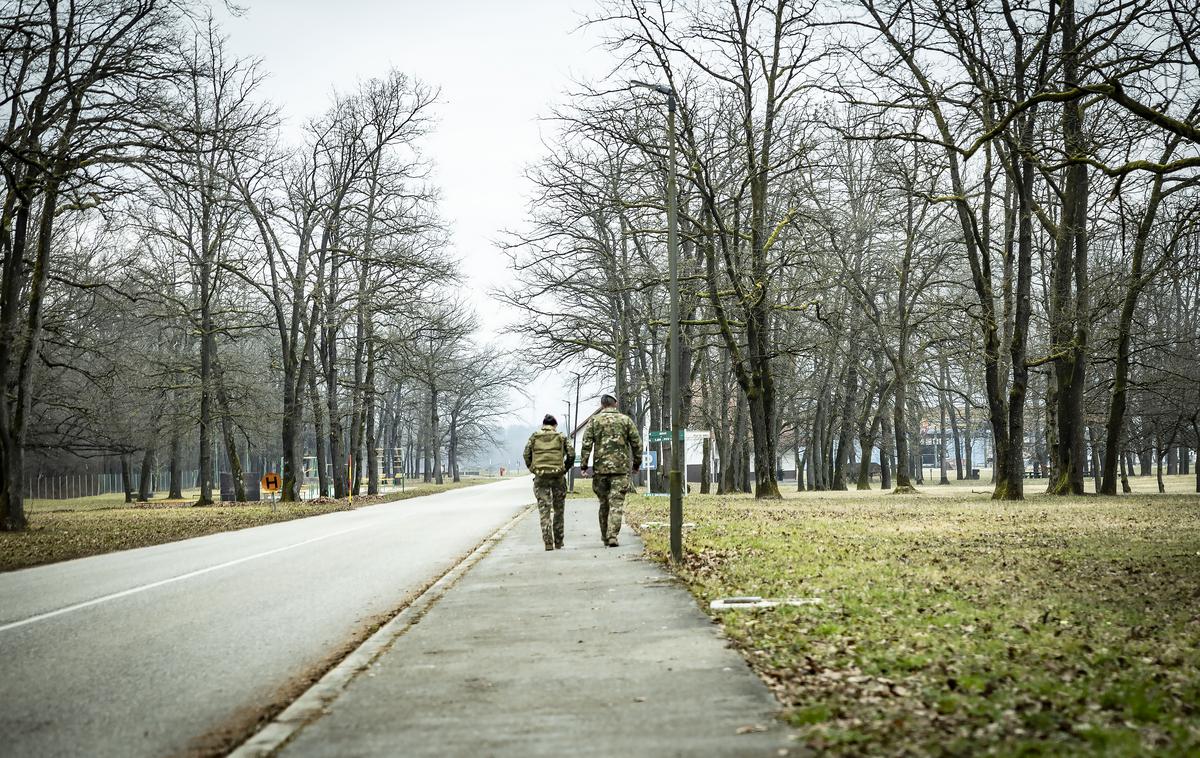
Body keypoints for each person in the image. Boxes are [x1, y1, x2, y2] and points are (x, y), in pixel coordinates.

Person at [578, 394, 642, 547]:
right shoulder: (625, 420)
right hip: (620, 470)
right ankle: (613, 535)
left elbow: (586, 444)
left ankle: (605, 535)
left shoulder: (594, 421)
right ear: (616, 404)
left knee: (603, 503)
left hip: (600, 470)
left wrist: (584, 466)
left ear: (602, 405)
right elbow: (636, 444)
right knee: (617, 503)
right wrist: (636, 465)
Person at [523, 414, 575, 551]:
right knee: (559, 510)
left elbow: (526, 454)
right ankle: (558, 541)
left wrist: (533, 468)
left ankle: (548, 542)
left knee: (544, 511)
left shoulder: (534, 437)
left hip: (541, 478)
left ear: (543, 424)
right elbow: (572, 454)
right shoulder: (561, 436)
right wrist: (565, 468)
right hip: (558, 477)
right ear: (555, 425)